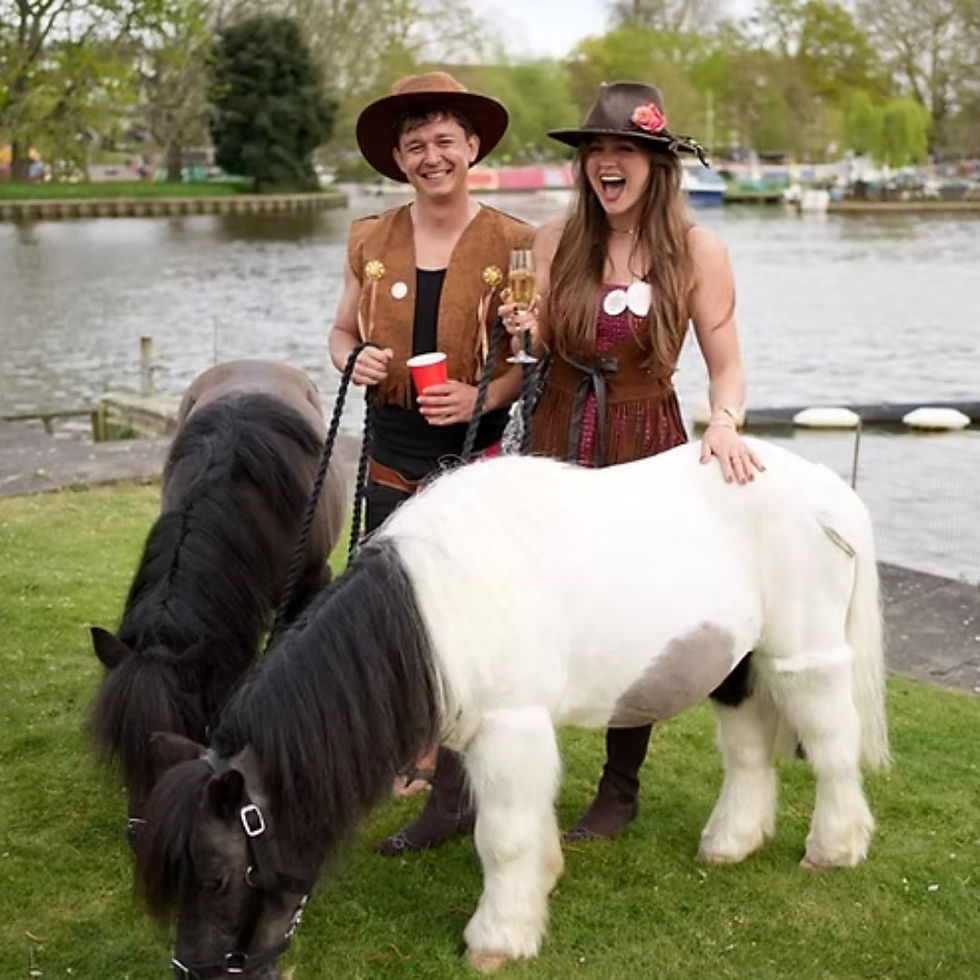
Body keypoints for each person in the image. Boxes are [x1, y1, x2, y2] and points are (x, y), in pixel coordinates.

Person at [502, 80, 764, 841]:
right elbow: (535, 346)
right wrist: (523, 326)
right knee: (543, 599)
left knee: (631, 608)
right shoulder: (553, 241)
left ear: (656, 163)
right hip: (556, 429)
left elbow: (728, 366)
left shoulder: (699, 251)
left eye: (624, 151)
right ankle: (528, 764)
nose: (606, 165)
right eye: (595, 152)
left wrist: (725, 421)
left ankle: (620, 787)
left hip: (646, 438)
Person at [328, 71, 532, 855]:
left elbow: (525, 360)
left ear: (472, 148)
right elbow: (342, 333)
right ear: (398, 158)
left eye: (445, 141)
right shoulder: (369, 239)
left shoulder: (515, 240)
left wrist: (479, 400)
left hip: (473, 458)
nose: (431, 156)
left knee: (462, 620)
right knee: (390, 609)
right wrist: (354, 365)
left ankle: (457, 783)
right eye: (415, 145)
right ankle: (407, 745)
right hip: (389, 454)